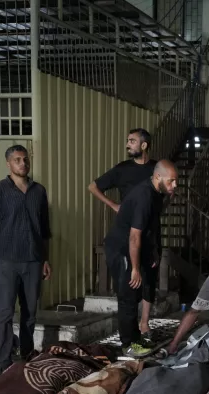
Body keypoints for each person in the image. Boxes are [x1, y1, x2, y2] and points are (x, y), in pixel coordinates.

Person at [0, 145, 52, 375]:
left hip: (33, 261)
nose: (23, 163)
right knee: (5, 313)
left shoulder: (39, 191)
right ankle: (4, 362)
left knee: (30, 313)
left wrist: (45, 260)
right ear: (8, 164)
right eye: (18, 160)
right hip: (8, 262)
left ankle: (27, 355)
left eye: (25, 159)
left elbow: (45, 230)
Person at [88, 128, 159, 337]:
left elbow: (166, 193)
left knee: (149, 277)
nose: (128, 145)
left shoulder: (156, 169)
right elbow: (93, 186)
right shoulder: (122, 169)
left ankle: (144, 324)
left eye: (132, 141)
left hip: (151, 231)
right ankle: (130, 336)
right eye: (128, 141)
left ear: (144, 145)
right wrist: (113, 205)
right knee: (130, 282)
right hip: (128, 231)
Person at [104, 160, 178, 357]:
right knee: (128, 296)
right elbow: (134, 236)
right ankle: (127, 344)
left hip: (137, 247)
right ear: (158, 177)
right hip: (122, 249)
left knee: (137, 295)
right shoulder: (143, 196)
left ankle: (136, 339)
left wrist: (152, 252)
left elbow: (151, 225)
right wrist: (135, 268)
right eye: (171, 181)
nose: (174, 185)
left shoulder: (156, 193)